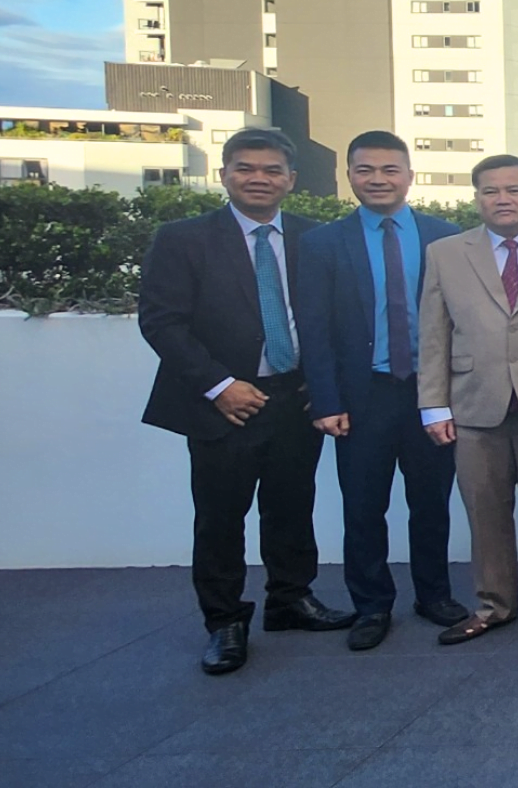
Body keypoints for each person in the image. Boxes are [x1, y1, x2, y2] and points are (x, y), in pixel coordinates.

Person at [138, 128, 353, 674]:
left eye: (272, 170)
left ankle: (290, 599)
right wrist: (219, 385)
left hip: (292, 397)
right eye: (246, 168)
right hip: (222, 401)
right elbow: (162, 322)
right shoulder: (183, 238)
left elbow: (334, 316)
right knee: (219, 517)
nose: (259, 178)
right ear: (224, 173)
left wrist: (319, 378)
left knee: (290, 505)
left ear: (291, 180)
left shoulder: (315, 238)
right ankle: (225, 622)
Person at [297, 131, 466, 651]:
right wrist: (325, 400)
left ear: (409, 175)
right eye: (365, 170)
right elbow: (314, 327)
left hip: (430, 392)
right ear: (350, 176)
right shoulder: (323, 242)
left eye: (390, 169)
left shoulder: (446, 236)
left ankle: (433, 594)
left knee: (432, 502)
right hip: (363, 394)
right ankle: (372, 604)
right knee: (363, 506)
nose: (378, 179)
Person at [417, 155, 518, 644]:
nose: (503, 199)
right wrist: (433, 403)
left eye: (514, 189)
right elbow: (433, 333)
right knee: (484, 510)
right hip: (472, 402)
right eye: (491, 191)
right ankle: (493, 604)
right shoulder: (445, 252)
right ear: (477, 198)